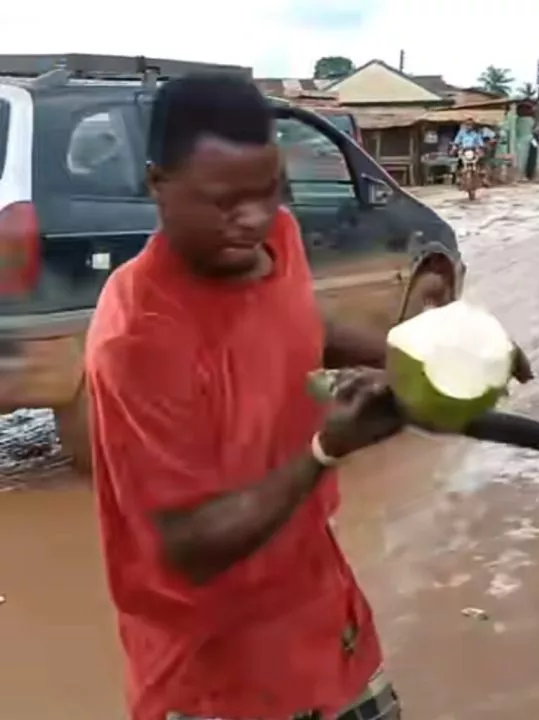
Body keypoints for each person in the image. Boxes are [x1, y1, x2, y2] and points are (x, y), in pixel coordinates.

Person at [85, 73, 412, 720]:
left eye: (268, 193)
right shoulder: (139, 339)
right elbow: (190, 546)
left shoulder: (274, 242)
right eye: (224, 202)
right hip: (216, 670)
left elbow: (298, 322)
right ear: (158, 184)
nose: (255, 220)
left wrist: (420, 357)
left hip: (322, 615)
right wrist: (325, 449)